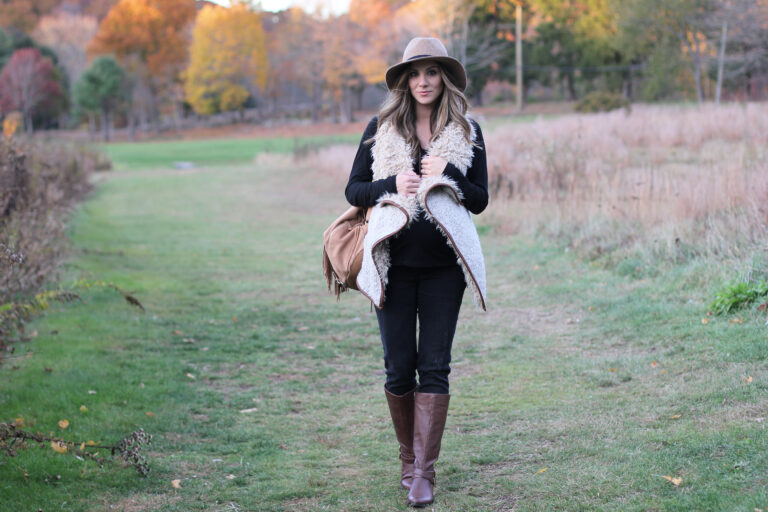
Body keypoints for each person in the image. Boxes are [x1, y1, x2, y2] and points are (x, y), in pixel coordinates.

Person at [344, 37, 488, 507]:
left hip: (446, 270)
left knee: (435, 367)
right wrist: (392, 183)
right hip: (393, 267)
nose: (423, 81)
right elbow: (354, 190)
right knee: (398, 366)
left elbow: (480, 200)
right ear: (405, 80)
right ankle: (407, 462)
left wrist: (450, 174)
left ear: (444, 78)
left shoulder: (467, 132)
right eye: (415, 73)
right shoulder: (379, 129)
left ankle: (425, 473)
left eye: (432, 72)